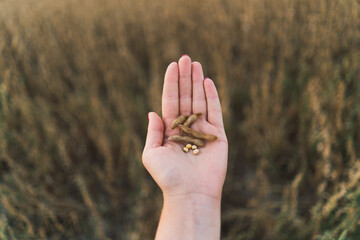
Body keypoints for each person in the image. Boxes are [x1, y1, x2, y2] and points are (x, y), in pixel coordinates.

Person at [142, 55, 228, 240]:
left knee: (198, 138)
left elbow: (198, 139)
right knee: (193, 137)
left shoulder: (193, 138)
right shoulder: (182, 134)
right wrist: (185, 195)